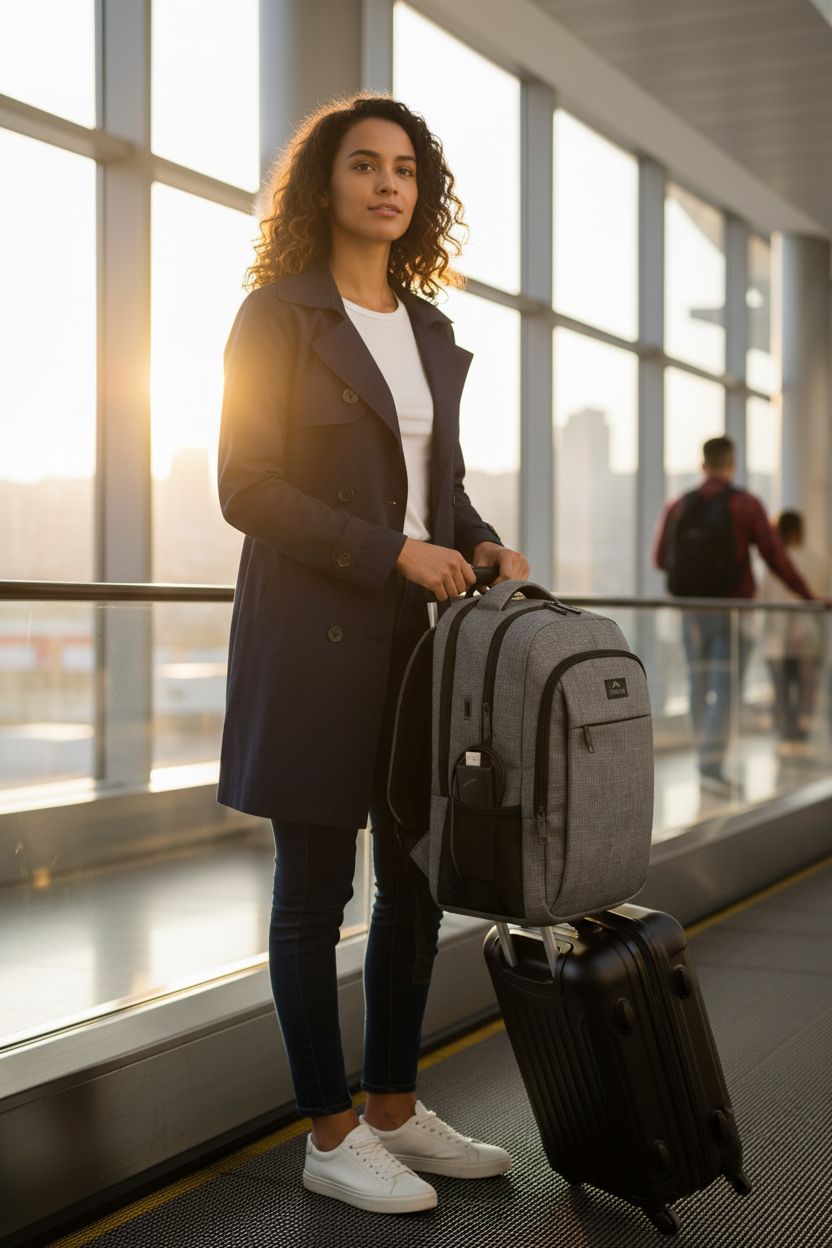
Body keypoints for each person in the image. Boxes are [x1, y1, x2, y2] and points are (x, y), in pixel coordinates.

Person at [216, 94, 530, 1215]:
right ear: (325, 185)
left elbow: (433, 490)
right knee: (313, 893)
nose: (387, 184)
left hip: (410, 653)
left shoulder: (428, 330)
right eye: (363, 165)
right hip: (310, 637)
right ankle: (329, 1130)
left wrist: (479, 541)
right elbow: (245, 487)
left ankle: (393, 1107)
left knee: (413, 883)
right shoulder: (277, 317)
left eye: (404, 168)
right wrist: (389, 551)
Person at [653, 436, 819, 796]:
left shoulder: (678, 505)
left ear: (703, 465)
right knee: (725, 689)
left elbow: (660, 560)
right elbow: (777, 558)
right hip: (733, 612)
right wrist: (810, 598)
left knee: (698, 686)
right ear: (732, 464)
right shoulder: (746, 505)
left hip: (690, 614)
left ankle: (703, 759)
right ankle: (711, 765)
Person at [760, 511, 827, 754]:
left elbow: (762, 600)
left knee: (782, 692)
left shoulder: (774, 564)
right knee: (804, 692)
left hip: (777, 640)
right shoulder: (816, 561)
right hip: (808, 639)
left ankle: (785, 740)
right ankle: (800, 739)